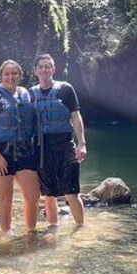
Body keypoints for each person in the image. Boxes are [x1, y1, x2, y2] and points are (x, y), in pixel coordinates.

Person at [0, 60, 41, 232]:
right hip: (1, 151)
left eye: (14, 73)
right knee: (6, 199)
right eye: (7, 74)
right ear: (1, 76)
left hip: (25, 150)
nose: (11, 77)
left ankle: (30, 232)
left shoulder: (26, 94)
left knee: (33, 197)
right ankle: (6, 235)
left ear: (20, 75)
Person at [31, 53, 86, 227]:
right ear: (35, 71)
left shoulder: (65, 89)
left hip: (64, 145)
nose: (44, 69)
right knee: (48, 193)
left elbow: (76, 117)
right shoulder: (30, 94)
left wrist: (82, 144)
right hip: (42, 148)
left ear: (53, 69)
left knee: (71, 192)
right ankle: (52, 228)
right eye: (41, 66)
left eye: (48, 66)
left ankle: (80, 229)